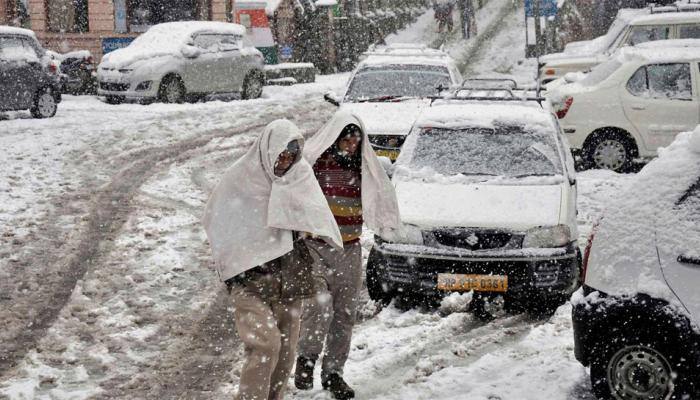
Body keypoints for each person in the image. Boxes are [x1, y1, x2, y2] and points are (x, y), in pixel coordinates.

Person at [202, 120, 343, 400]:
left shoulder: (297, 177)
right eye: (281, 155)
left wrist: (306, 227)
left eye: (292, 157)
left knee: (285, 355)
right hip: (250, 282)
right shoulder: (240, 180)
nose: (285, 162)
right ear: (268, 150)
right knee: (266, 346)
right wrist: (238, 264)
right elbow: (217, 222)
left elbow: (315, 213)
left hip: (289, 280)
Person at [294, 112, 400, 399]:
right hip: (315, 247)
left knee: (344, 314)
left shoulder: (364, 168)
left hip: (349, 249)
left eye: (356, 140)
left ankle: (333, 373)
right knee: (319, 306)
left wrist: (385, 224)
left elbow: (381, 195)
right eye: (346, 139)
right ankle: (306, 359)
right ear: (335, 138)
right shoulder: (315, 166)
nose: (351, 145)